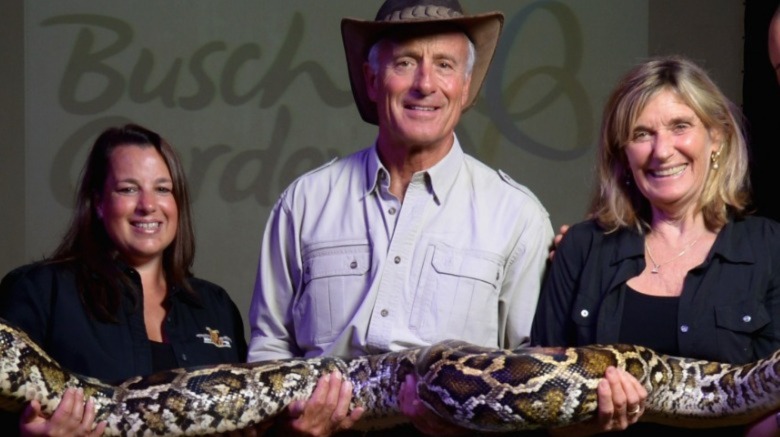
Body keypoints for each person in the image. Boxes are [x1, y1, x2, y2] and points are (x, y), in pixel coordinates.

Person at [246, 0, 554, 435]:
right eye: (405, 63)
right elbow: (268, 349)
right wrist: (291, 429)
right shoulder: (304, 202)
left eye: (444, 65)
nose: (425, 84)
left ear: (465, 88)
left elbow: (531, 375)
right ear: (373, 81)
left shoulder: (518, 215)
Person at [531, 56, 780, 436]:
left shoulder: (770, 248)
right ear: (622, 153)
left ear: (716, 137)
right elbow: (539, 412)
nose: (661, 151)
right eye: (641, 134)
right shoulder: (580, 247)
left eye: (680, 126)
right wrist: (593, 422)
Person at [0, 124, 252, 436]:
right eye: (128, 189)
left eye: (162, 189)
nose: (148, 205)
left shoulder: (215, 306)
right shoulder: (39, 291)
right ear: (99, 203)